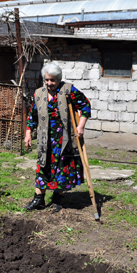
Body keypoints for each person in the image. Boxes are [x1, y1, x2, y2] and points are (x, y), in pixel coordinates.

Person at [24, 63, 91, 212]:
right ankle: (38, 199)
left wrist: (81, 126)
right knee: (42, 166)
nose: (49, 83)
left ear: (59, 79)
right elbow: (32, 116)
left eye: (52, 80)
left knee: (62, 167)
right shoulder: (39, 93)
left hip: (64, 137)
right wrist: (28, 132)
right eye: (47, 80)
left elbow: (85, 105)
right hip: (44, 138)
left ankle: (57, 198)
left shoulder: (68, 90)